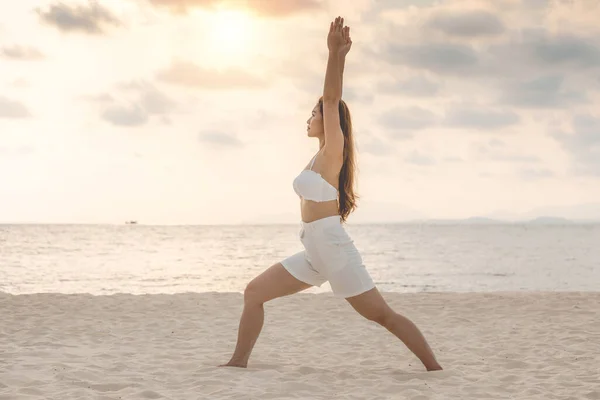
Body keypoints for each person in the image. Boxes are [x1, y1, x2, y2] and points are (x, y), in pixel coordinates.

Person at [220, 16, 442, 372]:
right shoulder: (317, 157)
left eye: (315, 113)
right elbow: (330, 100)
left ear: (329, 120)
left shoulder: (332, 152)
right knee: (254, 293)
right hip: (313, 250)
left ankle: (435, 369)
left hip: (333, 250)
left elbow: (333, 97)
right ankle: (237, 362)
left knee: (383, 316)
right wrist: (336, 55)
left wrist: (335, 54)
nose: (309, 118)